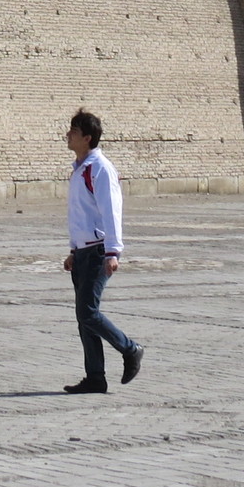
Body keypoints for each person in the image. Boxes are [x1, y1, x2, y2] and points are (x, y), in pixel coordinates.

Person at [60, 109, 143, 393]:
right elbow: (82, 215)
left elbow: (111, 211)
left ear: (88, 137)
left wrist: (113, 252)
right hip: (83, 252)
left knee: (87, 312)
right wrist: (73, 250)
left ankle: (130, 349)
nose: (67, 135)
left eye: (73, 130)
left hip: (98, 251)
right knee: (84, 318)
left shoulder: (100, 168)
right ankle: (95, 377)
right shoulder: (80, 168)